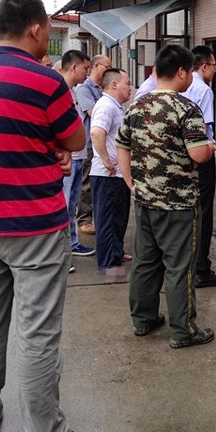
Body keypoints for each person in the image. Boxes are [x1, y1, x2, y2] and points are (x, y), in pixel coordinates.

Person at [0, 0, 100, 432]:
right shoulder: (44, 81)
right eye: (47, 33)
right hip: (32, 227)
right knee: (37, 333)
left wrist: (43, 149)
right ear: (36, 28)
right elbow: (75, 140)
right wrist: (52, 150)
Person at [116, 44, 216, 347]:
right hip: (179, 204)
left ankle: (143, 320)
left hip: (145, 200)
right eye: (191, 72)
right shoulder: (186, 109)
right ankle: (184, 331)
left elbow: (122, 145)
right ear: (182, 72)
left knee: (145, 263)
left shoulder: (137, 106)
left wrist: (131, 182)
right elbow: (198, 155)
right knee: (179, 266)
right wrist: (210, 147)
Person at [181, 45, 216, 288]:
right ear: (204, 66)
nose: (214, 70)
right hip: (201, 154)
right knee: (204, 211)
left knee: (188, 211)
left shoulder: (182, 86)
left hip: (182, 155)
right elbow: (205, 127)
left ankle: (188, 264)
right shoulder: (203, 90)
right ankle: (202, 268)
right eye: (214, 65)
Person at [89, 68, 132, 273]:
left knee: (118, 217)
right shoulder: (106, 105)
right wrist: (107, 160)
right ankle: (108, 265)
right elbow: (97, 132)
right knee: (107, 219)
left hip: (116, 174)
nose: (130, 88)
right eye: (128, 83)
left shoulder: (116, 106)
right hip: (107, 174)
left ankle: (116, 253)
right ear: (114, 84)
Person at [59, 50, 95, 266]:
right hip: (68, 159)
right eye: (85, 68)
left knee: (72, 204)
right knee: (63, 206)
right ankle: (62, 254)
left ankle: (72, 243)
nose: (86, 73)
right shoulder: (60, 90)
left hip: (78, 155)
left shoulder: (72, 91)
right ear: (73, 67)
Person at [75, 54, 112, 235]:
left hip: (104, 143)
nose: (109, 70)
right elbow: (94, 113)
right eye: (106, 66)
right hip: (91, 143)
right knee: (86, 183)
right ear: (97, 66)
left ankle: (95, 218)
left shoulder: (102, 88)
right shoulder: (84, 89)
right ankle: (83, 219)